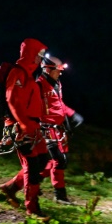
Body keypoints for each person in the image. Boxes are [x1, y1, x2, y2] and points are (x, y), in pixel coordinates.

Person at [0, 38, 49, 220]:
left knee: (45, 161)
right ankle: (33, 209)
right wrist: (23, 124)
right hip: (20, 127)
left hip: (33, 127)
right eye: (39, 54)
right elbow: (12, 100)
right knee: (32, 166)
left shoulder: (29, 75)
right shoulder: (18, 73)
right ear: (30, 54)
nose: (41, 59)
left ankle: (11, 188)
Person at [38, 55, 84, 204]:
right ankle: (26, 183)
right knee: (55, 160)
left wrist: (72, 114)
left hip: (59, 130)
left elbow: (59, 105)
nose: (60, 73)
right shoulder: (38, 86)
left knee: (59, 161)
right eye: (57, 70)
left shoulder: (57, 84)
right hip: (46, 130)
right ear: (47, 69)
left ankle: (58, 194)